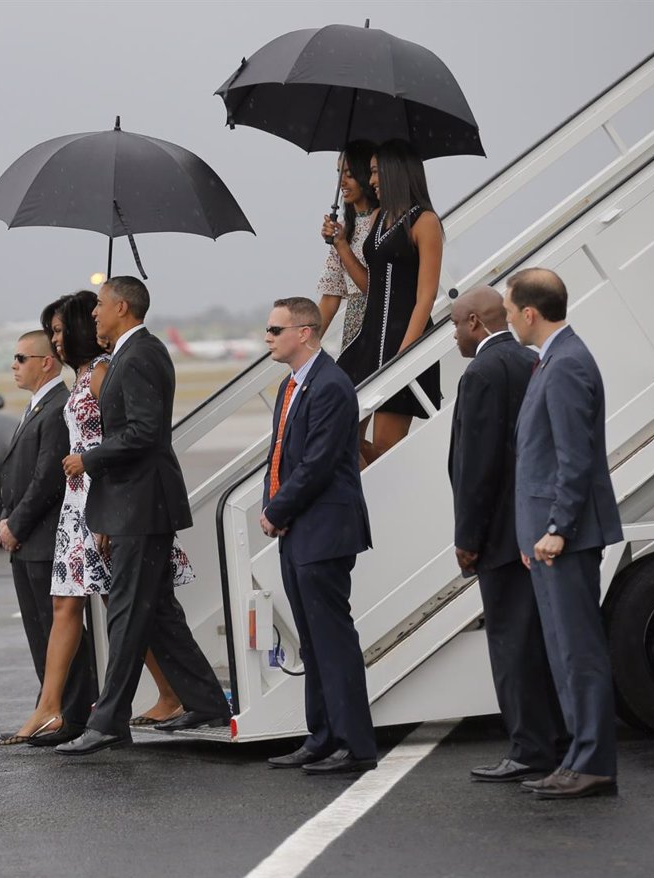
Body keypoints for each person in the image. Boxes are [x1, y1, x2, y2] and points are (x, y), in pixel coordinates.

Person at [56, 277, 229, 756]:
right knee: (158, 616)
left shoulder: (141, 356)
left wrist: (88, 459)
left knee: (128, 614)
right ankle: (208, 701)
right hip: (133, 501)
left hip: (142, 502)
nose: (94, 316)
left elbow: (145, 432)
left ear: (124, 308)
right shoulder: (131, 354)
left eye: (100, 308)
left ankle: (108, 720)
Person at [505, 268, 622, 800]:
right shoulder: (554, 359)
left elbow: (574, 461)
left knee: (578, 651)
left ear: (530, 313)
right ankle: (579, 756)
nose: (507, 318)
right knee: (563, 651)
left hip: (565, 537)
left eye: (509, 310)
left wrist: (556, 529)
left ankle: (593, 761)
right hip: (549, 538)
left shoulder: (567, 364)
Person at [447, 287, 566, 783]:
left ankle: (529, 749)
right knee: (537, 641)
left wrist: (467, 537)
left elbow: (478, 466)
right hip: (530, 526)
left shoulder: (481, 371)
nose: (453, 336)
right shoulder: (531, 359)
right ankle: (552, 739)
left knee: (511, 644)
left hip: (496, 535)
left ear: (474, 321)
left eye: (455, 325)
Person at [260, 298, 378, 775]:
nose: (266, 337)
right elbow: (283, 456)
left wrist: (277, 509)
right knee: (312, 640)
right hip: (300, 527)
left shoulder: (330, 385)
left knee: (332, 640)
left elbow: (319, 463)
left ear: (305, 332)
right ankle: (323, 736)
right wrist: (277, 509)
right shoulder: (293, 385)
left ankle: (356, 745)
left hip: (323, 528)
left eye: (274, 328)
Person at [0, 327, 95, 747]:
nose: (14, 366)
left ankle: (70, 714)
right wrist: (6, 517)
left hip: (43, 537)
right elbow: (19, 476)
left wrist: (16, 524)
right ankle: (53, 707)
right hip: (27, 537)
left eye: (21, 358)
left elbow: (47, 479)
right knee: (41, 632)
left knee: (55, 629)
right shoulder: (38, 406)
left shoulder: (57, 406)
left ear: (46, 363)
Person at [336, 139, 444, 465]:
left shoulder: (424, 221)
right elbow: (373, 285)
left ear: (394, 171)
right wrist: (341, 244)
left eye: (373, 172)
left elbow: (426, 296)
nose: (370, 181)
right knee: (339, 432)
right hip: (367, 343)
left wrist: (404, 356)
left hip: (403, 341)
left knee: (385, 452)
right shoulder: (381, 217)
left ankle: (381, 505)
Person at [317, 140, 379, 356]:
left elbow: (374, 288)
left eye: (350, 174)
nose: (341, 182)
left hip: (379, 320)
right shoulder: (343, 230)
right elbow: (330, 296)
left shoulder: (386, 221)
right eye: (338, 173)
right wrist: (306, 348)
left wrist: (342, 246)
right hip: (353, 325)